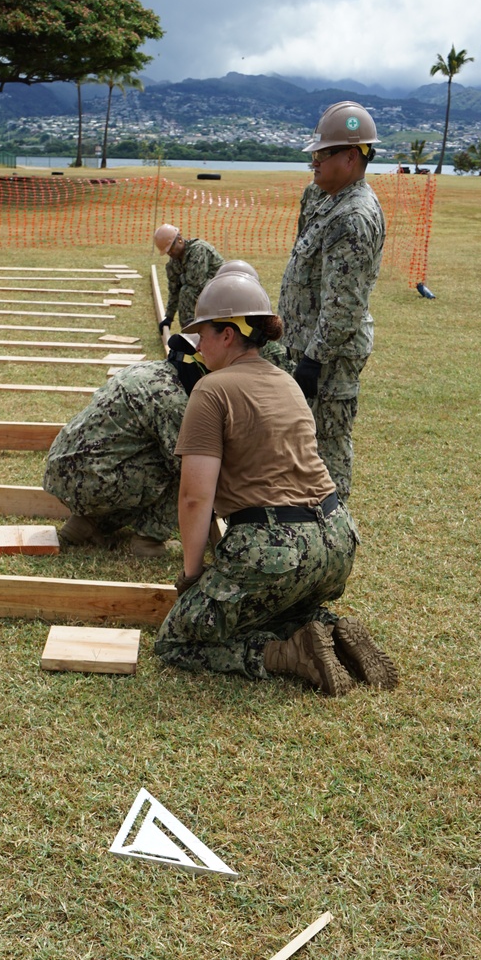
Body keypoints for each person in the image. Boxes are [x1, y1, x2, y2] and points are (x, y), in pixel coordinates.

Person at [154, 271, 397, 695]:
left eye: (203, 334)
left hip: (274, 550)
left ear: (227, 335)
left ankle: (288, 653)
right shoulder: (287, 382)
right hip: (338, 540)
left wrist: (193, 577)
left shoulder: (211, 390)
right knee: (266, 603)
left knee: (177, 639)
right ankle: (329, 629)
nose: (198, 344)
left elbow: (194, 497)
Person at [278, 101, 386, 503]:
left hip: (328, 357)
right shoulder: (321, 197)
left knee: (328, 445)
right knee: (297, 438)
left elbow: (345, 305)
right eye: (313, 155)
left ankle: (332, 526)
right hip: (301, 343)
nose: (314, 162)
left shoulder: (353, 216)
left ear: (351, 156)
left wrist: (313, 360)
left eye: (323, 154)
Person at [43, 333, 207, 558]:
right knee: (187, 465)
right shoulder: (174, 401)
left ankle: (84, 525)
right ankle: (148, 541)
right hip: (93, 480)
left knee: (135, 457)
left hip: (63, 472)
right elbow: (191, 470)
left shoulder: (147, 370)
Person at [154, 224, 225, 332]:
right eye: (167, 252)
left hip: (223, 291)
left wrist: (181, 279)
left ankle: (193, 331)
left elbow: (196, 281)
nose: (170, 253)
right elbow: (174, 290)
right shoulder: (174, 263)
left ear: (179, 239)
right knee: (185, 290)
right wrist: (169, 317)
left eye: (171, 248)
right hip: (207, 292)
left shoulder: (198, 249)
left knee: (187, 291)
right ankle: (189, 334)